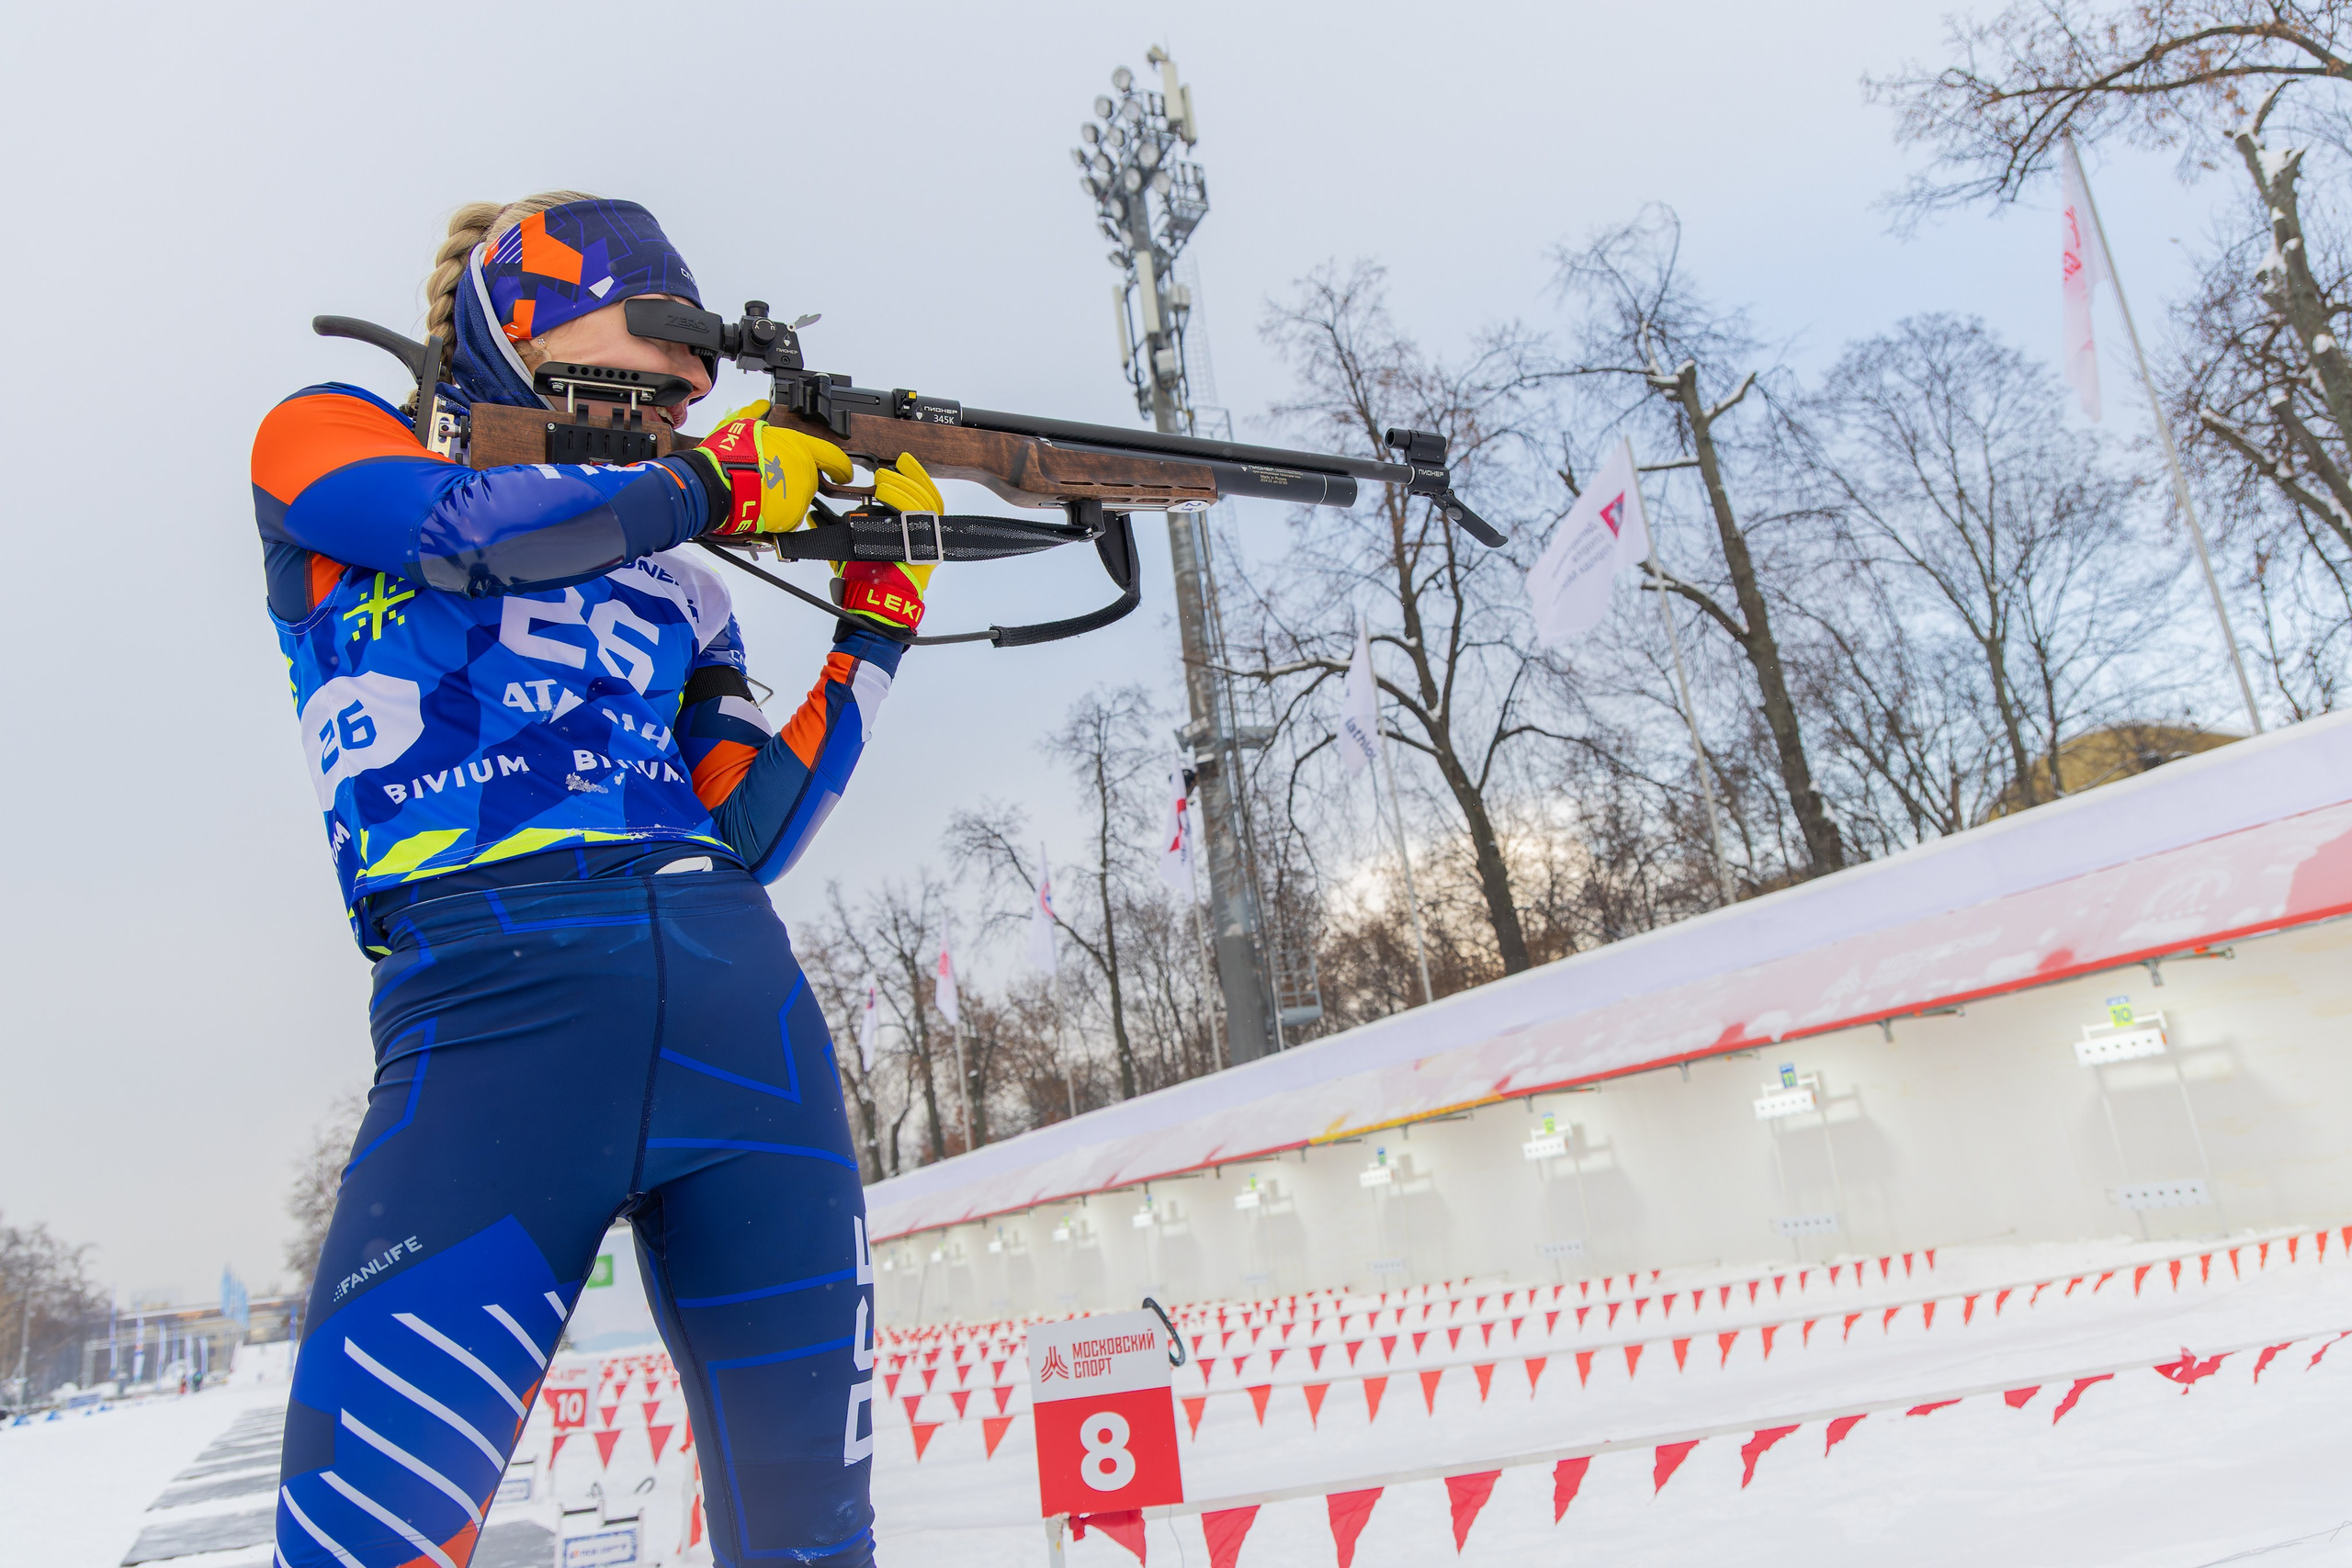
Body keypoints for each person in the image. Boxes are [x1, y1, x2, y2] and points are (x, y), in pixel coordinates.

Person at [253, 193, 934, 1568]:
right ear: (522, 325)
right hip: (492, 1010)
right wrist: (710, 485)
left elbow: (746, 830)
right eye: (655, 355)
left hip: (737, 1006)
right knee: (361, 1546)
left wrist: (875, 629)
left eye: (695, 382)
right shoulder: (325, 435)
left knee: (815, 1547)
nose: (682, 397)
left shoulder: (684, 581)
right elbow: (467, 529)